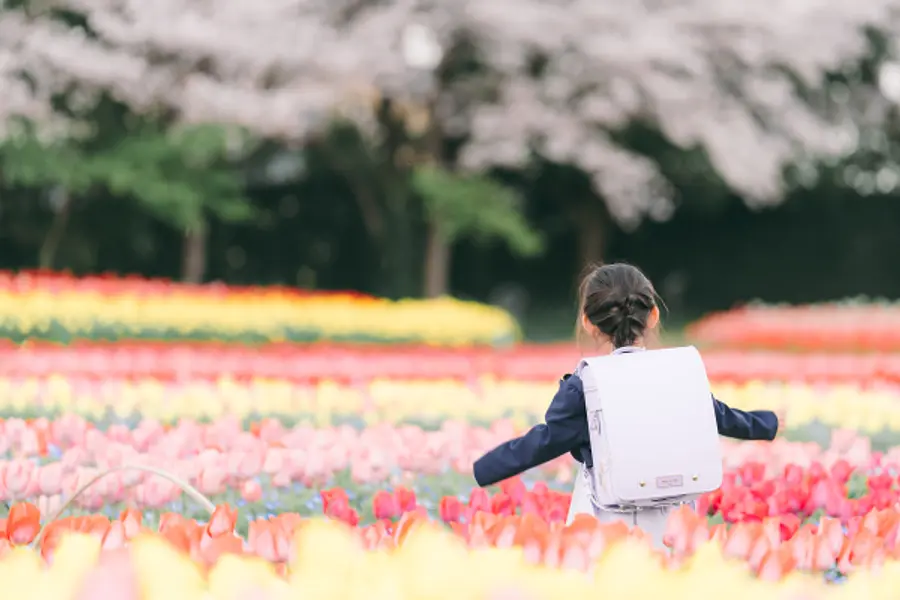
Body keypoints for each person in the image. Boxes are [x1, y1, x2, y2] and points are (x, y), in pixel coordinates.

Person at [472, 263, 779, 545]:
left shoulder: (587, 385)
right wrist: (767, 423)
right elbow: (721, 416)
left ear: (589, 322)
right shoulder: (679, 371)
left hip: (605, 519)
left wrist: (485, 468)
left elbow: (545, 441)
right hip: (673, 519)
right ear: (653, 315)